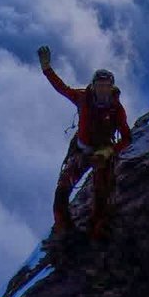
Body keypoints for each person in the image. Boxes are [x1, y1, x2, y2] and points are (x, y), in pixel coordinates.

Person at [37, 45, 131, 241]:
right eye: (100, 85)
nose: (103, 89)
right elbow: (62, 88)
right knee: (62, 190)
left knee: (102, 194)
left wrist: (108, 151)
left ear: (111, 87)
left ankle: (97, 229)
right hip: (82, 151)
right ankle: (65, 230)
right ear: (93, 86)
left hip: (100, 154)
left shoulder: (116, 109)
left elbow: (127, 138)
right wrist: (47, 69)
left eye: (106, 86)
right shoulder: (83, 98)